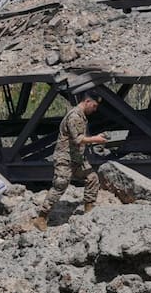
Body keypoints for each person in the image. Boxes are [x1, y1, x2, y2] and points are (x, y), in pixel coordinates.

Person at [33, 90, 107, 230]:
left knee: (92, 178)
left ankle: (89, 209)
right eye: (94, 106)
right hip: (65, 158)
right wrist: (95, 139)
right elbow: (78, 139)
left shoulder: (81, 116)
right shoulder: (74, 116)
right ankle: (41, 217)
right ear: (87, 102)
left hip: (77, 158)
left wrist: (97, 136)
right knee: (60, 185)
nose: (95, 109)